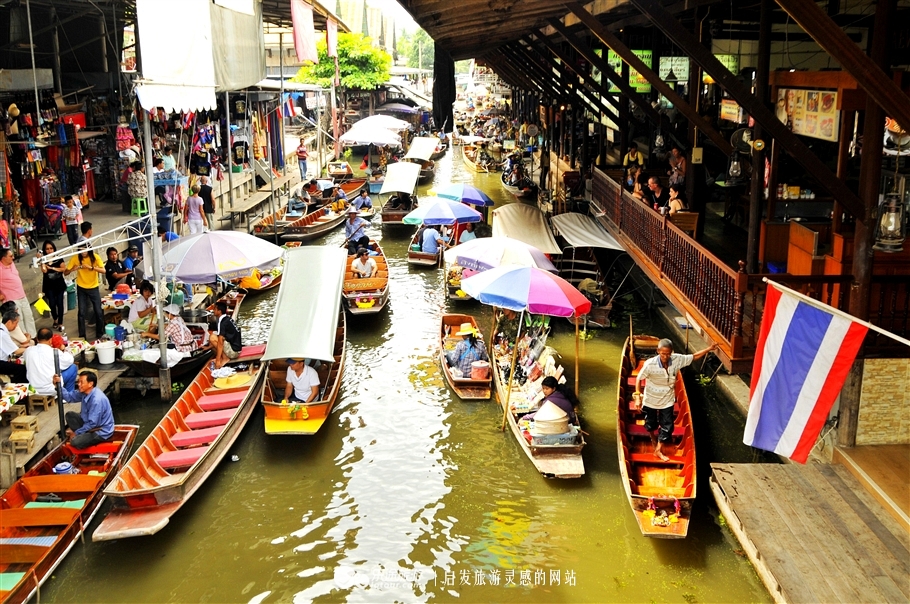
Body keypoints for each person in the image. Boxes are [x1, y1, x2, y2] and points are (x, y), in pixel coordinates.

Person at [634, 338, 716, 461]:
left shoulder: (677, 359)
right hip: (650, 398)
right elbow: (638, 379)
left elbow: (693, 357)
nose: (665, 357)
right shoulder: (649, 364)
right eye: (663, 354)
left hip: (667, 399)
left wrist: (709, 349)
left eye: (668, 354)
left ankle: (658, 449)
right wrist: (637, 397)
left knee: (668, 426)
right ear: (658, 351)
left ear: (671, 352)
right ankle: (653, 439)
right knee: (650, 424)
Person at [55, 370, 115, 449]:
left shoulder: (97, 400)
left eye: (81, 382)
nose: (79, 384)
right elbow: (69, 397)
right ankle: (83, 435)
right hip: (90, 424)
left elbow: (92, 424)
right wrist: (58, 386)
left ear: (90, 384)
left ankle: (82, 437)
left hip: (100, 431)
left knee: (74, 442)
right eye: (78, 382)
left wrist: (76, 433)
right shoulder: (84, 392)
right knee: (70, 415)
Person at [65, 244, 105, 340]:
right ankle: (82, 336)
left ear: (89, 249)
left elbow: (103, 270)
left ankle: (100, 333)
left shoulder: (95, 257)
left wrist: (91, 268)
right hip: (81, 287)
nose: (83, 252)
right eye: (81, 250)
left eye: (85, 250)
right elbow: (65, 273)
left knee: (98, 311)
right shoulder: (75, 258)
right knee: (81, 312)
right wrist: (71, 269)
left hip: (93, 287)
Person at [24, 328, 77, 394]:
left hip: (33, 389)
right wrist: (63, 350)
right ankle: (68, 394)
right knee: (73, 367)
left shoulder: (28, 351)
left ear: (37, 339)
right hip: (52, 388)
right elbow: (69, 360)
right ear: (50, 340)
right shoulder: (54, 352)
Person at [0, 247, 37, 338]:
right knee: (18, 321)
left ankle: (33, 337)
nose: (13, 258)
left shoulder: (12, 264)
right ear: (3, 258)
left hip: (22, 295)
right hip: (11, 299)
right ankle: (24, 339)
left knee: (29, 317)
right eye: (10, 256)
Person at [39, 240, 66, 331]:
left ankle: (60, 322)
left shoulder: (59, 258)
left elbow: (63, 268)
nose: (50, 251)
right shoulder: (44, 260)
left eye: (51, 248)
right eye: (47, 249)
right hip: (49, 284)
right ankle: (55, 319)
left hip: (59, 283)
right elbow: (44, 271)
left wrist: (52, 268)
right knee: (52, 303)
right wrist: (41, 261)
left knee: (60, 303)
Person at [205, 300, 242, 368]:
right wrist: (208, 347)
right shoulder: (227, 319)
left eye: (215, 309)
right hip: (237, 349)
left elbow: (220, 342)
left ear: (219, 311)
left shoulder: (222, 323)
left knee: (212, 337)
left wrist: (218, 360)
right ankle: (223, 357)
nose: (213, 311)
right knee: (213, 342)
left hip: (234, 352)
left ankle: (225, 358)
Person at [0, 308, 29, 382]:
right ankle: (16, 387)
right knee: (21, 369)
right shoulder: (2, 334)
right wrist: (30, 349)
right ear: (9, 322)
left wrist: (21, 347)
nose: (16, 326)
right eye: (16, 323)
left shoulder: (2, 331)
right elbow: (16, 351)